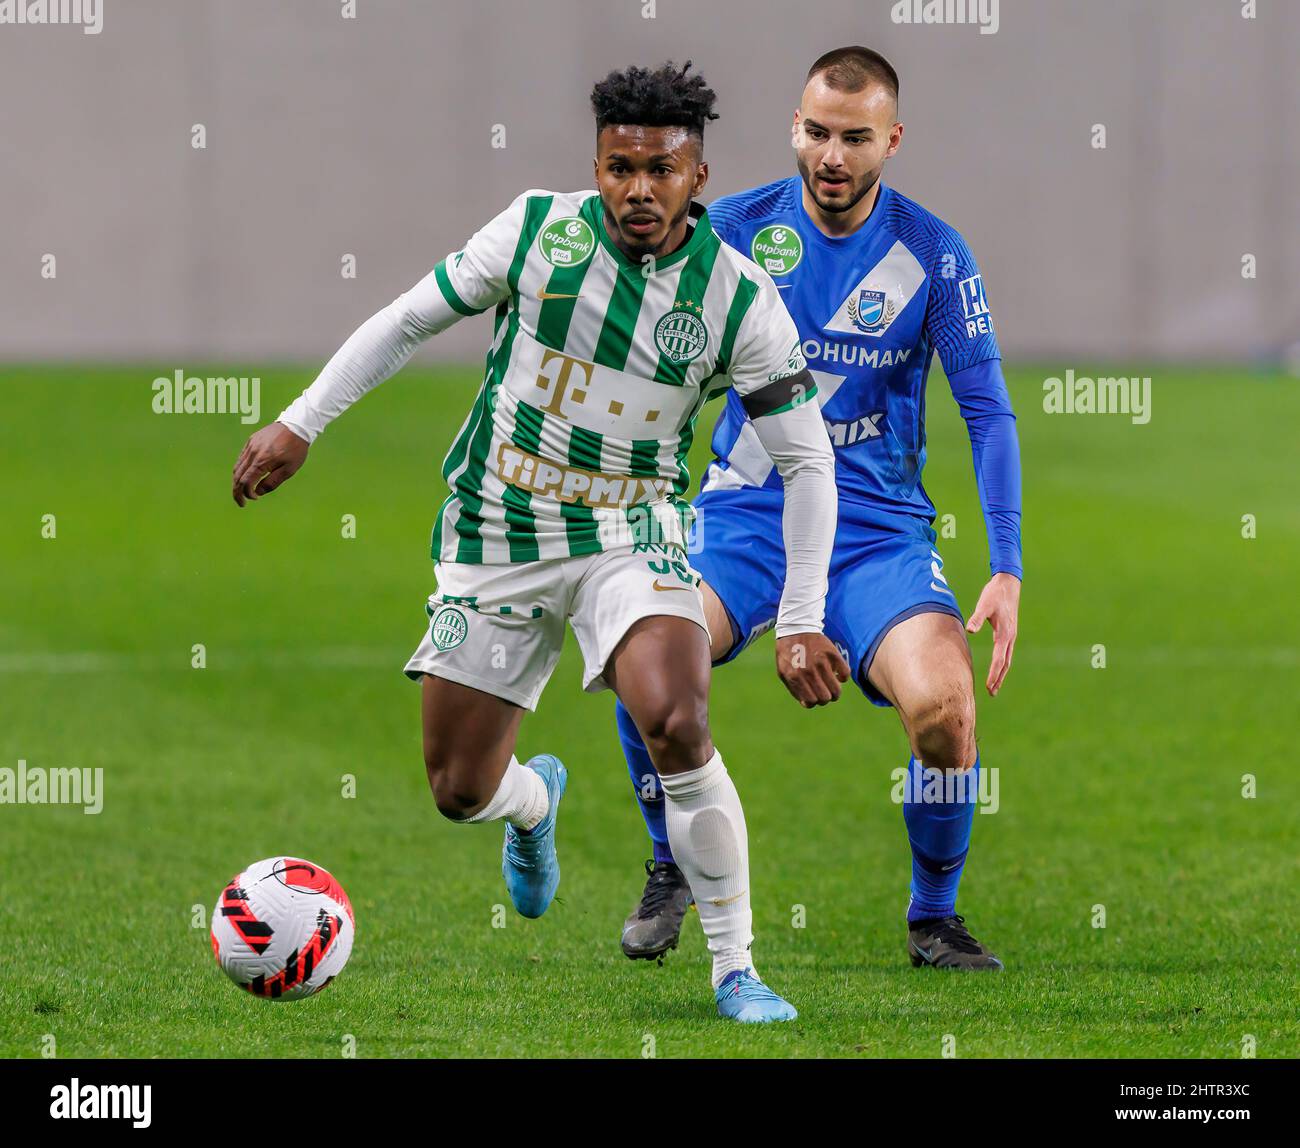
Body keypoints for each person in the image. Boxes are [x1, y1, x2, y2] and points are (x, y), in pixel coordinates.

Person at [231, 61, 847, 1021]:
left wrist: (803, 617)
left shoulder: (737, 299)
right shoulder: (534, 233)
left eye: (661, 170)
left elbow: (809, 464)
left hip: (630, 535)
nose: (638, 189)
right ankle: (532, 805)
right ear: (597, 164)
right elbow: (407, 320)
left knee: (678, 718)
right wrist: (302, 422)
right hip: (497, 531)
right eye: (618, 167)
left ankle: (737, 969)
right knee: (455, 788)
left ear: (700, 176)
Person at [617, 47, 1020, 971]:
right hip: (749, 510)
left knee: (947, 713)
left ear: (891, 141)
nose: (832, 157)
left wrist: (1006, 564)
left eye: (854, 139)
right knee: (646, 646)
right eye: (816, 133)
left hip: (877, 531)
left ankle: (934, 918)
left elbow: (988, 411)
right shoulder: (726, 231)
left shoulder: (934, 255)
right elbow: (649, 361)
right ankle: (671, 858)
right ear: (795, 128)